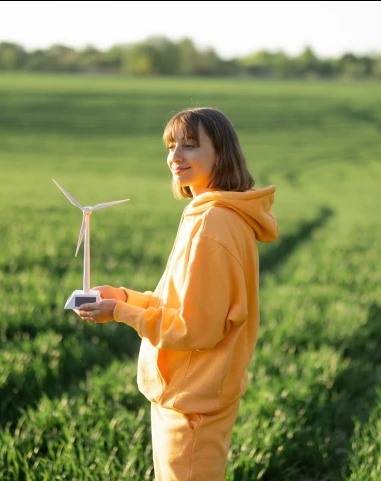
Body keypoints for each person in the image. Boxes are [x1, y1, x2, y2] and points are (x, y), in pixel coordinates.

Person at [77, 107, 279, 480]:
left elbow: (195, 328)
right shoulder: (209, 214)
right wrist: (123, 296)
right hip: (191, 395)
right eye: (171, 146)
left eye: (189, 145)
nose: (175, 157)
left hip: (192, 402)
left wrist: (120, 313)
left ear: (221, 152)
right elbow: (181, 303)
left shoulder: (213, 223)